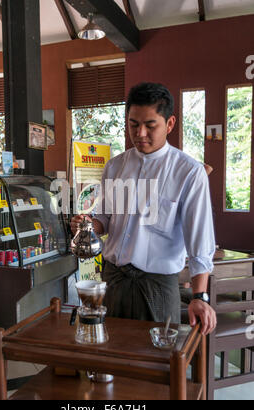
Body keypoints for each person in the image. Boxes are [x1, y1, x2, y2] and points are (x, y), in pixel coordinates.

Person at [71, 82, 216, 336]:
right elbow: (104, 218)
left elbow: (200, 242)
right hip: (114, 280)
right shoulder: (115, 167)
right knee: (112, 356)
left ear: (169, 124)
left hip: (158, 285)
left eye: (150, 126)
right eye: (133, 124)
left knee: (158, 364)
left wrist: (200, 296)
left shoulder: (189, 172)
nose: (140, 134)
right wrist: (87, 225)